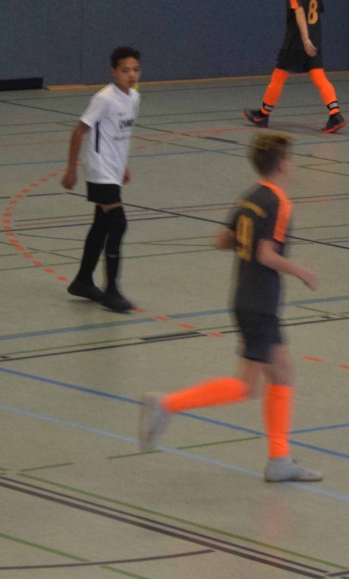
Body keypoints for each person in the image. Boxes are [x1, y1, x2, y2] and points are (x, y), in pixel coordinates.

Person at [138, 133, 322, 482]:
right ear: (283, 164)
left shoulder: (249, 197)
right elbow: (266, 254)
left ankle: (279, 459)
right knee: (246, 385)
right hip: (260, 301)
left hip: (246, 297)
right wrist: (300, 271)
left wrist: (247, 243)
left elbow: (221, 240)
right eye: (290, 158)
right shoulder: (279, 202)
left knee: (282, 374)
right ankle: (166, 404)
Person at [63, 47, 142, 312]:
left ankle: (83, 280)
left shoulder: (134, 98)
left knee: (102, 224)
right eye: (125, 70)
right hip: (99, 170)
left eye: (135, 69)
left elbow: (118, 135)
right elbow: (79, 131)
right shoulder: (104, 99)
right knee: (118, 223)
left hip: (113, 170)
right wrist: (71, 168)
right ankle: (112, 290)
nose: (131, 75)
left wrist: (123, 165)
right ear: (114, 71)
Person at [245, 0, 344, 133]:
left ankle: (262, 115)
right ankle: (335, 114)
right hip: (315, 41)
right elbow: (316, 14)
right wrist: (311, 39)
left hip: (297, 42)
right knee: (320, 77)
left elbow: (299, 12)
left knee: (278, 77)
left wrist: (304, 38)